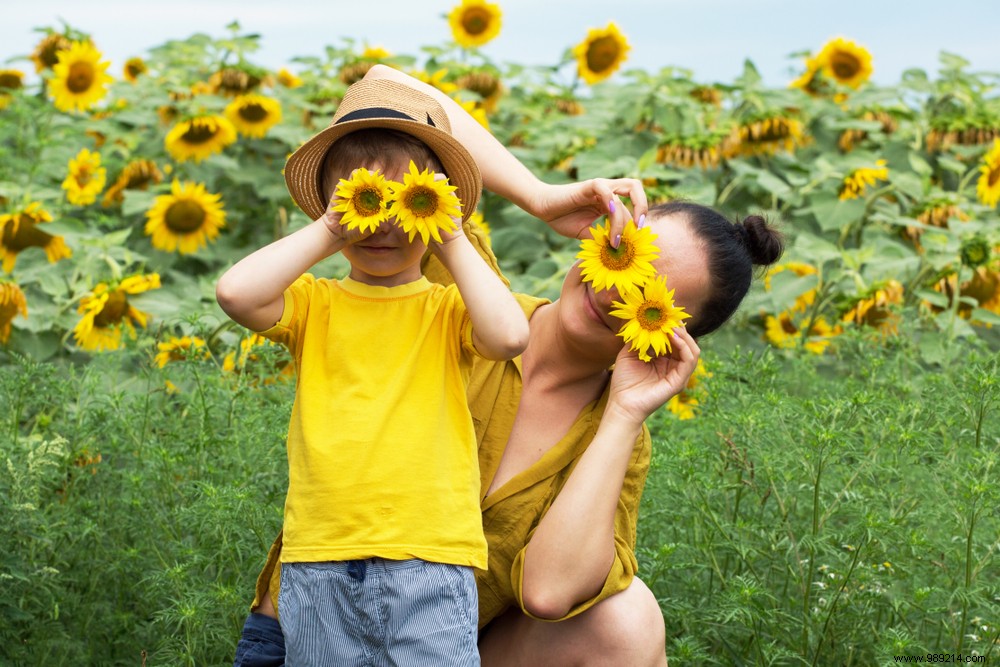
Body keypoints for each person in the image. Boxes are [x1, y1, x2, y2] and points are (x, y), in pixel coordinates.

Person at [232, 65, 784, 667]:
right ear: (600, 239)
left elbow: (549, 594)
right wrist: (540, 197)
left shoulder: (613, 436)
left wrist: (624, 413)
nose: (613, 293)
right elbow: (390, 88)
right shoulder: (458, 300)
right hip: (315, 623)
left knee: (628, 622)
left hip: (439, 643)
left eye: (649, 302)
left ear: (670, 339)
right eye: (622, 258)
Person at [217, 77, 531, 666]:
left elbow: (511, 335)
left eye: (403, 203)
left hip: (430, 557)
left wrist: (449, 233)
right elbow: (235, 292)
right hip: (318, 559)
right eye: (364, 201)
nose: (382, 224)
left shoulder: (446, 311)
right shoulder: (316, 303)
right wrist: (331, 227)